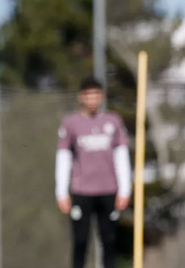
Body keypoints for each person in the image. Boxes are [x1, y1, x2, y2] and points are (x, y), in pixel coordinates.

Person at [55, 77, 132, 268]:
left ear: (102, 97)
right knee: (80, 241)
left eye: (96, 95)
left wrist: (125, 189)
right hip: (82, 191)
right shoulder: (71, 123)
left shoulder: (113, 121)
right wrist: (61, 192)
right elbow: (63, 157)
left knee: (109, 241)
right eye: (88, 96)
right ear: (81, 97)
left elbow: (121, 155)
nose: (92, 100)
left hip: (108, 190)